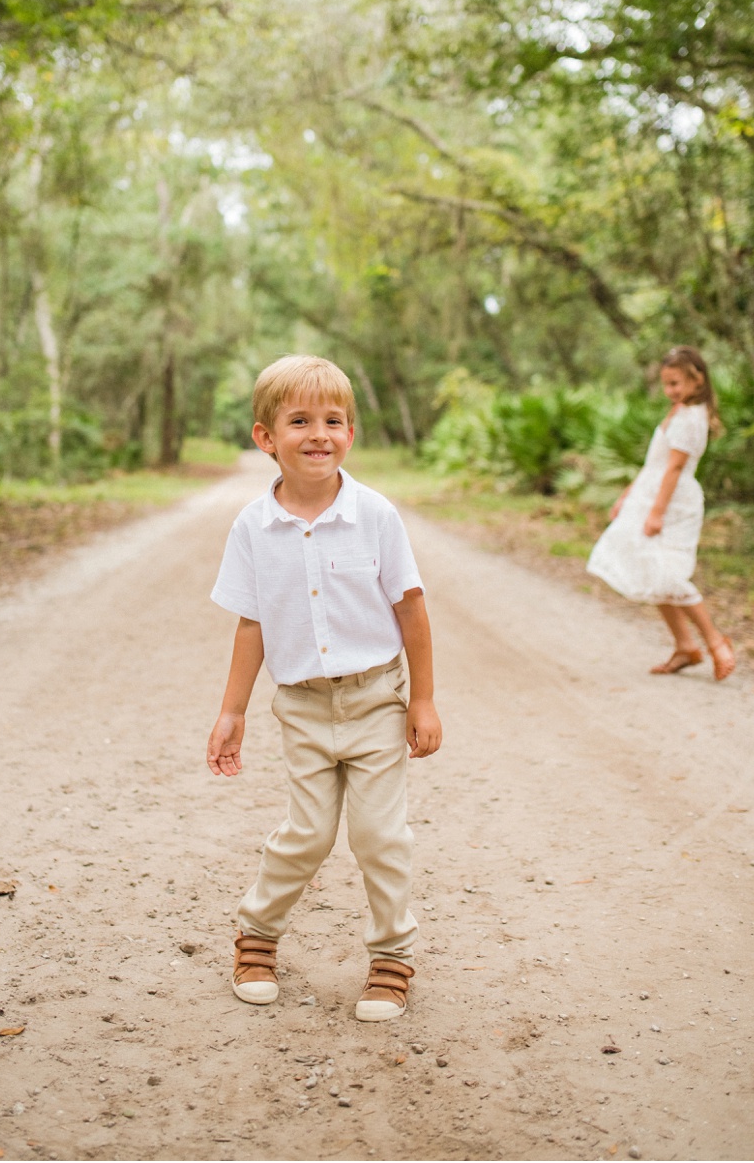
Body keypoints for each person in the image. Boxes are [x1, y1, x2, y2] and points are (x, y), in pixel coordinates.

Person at [206, 354, 442, 1022]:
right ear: (265, 438)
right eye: (300, 421)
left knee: (378, 835)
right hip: (304, 706)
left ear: (351, 433)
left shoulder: (374, 515)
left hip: (374, 699)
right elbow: (251, 623)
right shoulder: (253, 527)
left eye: (333, 420)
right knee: (306, 834)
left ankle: (392, 957)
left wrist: (421, 699)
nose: (319, 434)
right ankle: (256, 936)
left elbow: (411, 608)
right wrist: (232, 711)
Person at [587, 345, 735, 682]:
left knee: (668, 574)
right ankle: (686, 646)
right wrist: (627, 496)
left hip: (672, 504)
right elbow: (653, 465)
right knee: (650, 569)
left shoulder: (690, 419)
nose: (670, 391)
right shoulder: (678, 411)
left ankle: (715, 642)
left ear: (697, 381)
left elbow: (674, 470)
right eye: (667, 384)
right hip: (649, 497)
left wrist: (655, 514)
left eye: (676, 383)